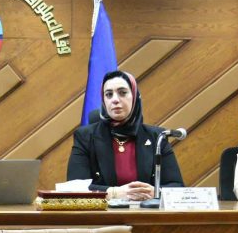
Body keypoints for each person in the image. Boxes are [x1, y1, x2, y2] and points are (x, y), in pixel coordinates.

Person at [67, 70, 183, 200]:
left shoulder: (157, 137)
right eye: (109, 94)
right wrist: (114, 193)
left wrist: (156, 192)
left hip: (146, 211)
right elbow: (74, 187)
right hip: (103, 212)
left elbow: (177, 187)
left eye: (122, 93)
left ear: (134, 96)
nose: (115, 100)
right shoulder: (85, 137)